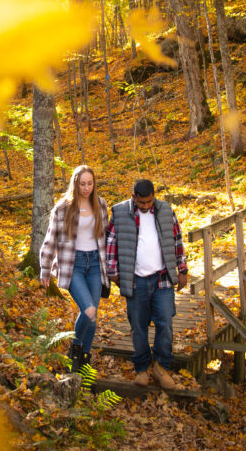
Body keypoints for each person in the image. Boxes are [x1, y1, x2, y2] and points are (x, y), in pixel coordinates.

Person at [106, 179, 188, 389]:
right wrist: (114, 273)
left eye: (149, 201)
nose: (145, 206)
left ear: (154, 196)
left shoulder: (166, 210)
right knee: (138, 327)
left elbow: (177, 239)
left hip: (162, 279)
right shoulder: (120, 212)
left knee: (165, 324)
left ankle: (161, 368)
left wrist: (183, 270)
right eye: (141, 202)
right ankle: (142, 368)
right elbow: (111, 243)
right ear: (134, 197)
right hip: (135, 280)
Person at [39, 165, 110, 372]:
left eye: (90, 183)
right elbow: (50, 239)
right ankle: (75, 348)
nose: (86, 188)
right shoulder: (63, 208)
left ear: (94, 184)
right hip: (73, 264)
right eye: (82, 184)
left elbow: (107, 239)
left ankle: (83, 360)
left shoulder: (101, 205)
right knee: (88, 310)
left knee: (93, 315)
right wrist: (45, 269)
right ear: (75, 184)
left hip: (96, 264)